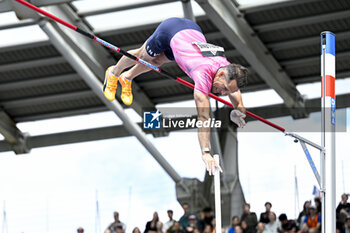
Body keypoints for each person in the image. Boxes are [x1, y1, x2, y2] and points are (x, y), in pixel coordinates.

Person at [103, 17, 248, 175]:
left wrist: (239, 111)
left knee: (156, 62)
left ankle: (127, 78)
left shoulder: (226, 66)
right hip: (170, 30)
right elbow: (204, 117)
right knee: (143, 56)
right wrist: (205, 152)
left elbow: (235, 92)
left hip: (189, 35)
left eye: (226, 92)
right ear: (220, 74)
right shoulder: (202, 74)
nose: (223, 93)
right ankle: (114, 73)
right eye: (224, 88)